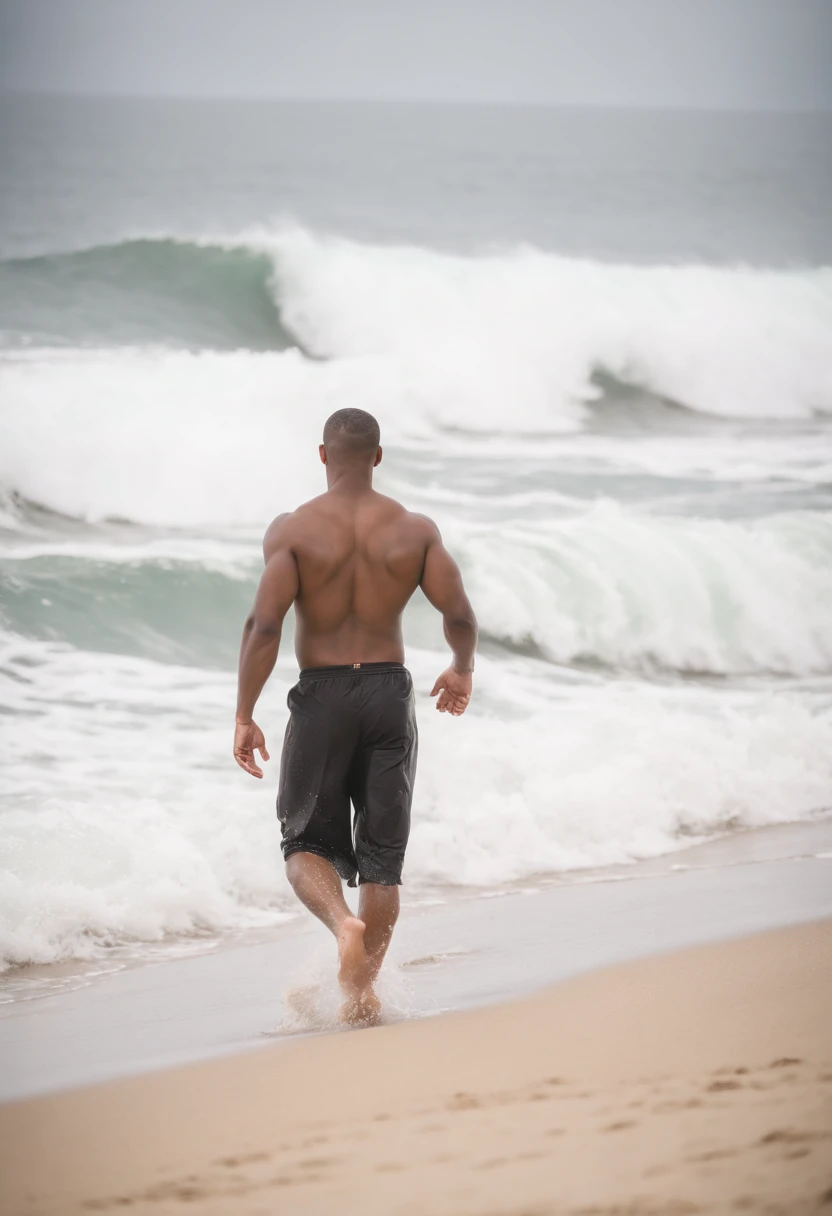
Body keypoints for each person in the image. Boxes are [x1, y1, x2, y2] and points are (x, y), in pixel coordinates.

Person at [233, 407, 477, 1024]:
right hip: (390, 695)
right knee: (382, 859)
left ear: (321, 456)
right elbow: (460, 616)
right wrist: (461, 667)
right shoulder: (414, 530)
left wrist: (244, 714)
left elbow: (265, 626)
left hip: (322, 695)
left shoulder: (292, 531)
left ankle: (343, 924)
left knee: (302, 841)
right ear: (378, 457)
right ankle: (360, 993)